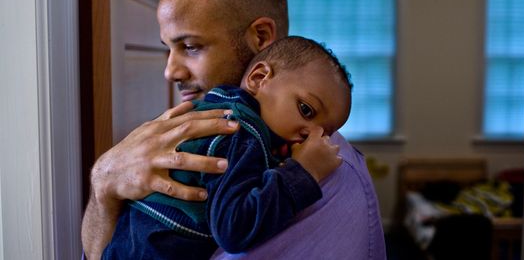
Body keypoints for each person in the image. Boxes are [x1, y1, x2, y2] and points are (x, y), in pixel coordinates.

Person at [81, 0, 386, 259]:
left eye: (190, 46)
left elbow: (236, 231)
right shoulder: (201, 130)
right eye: (168, 48)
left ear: (261, 38)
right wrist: (103, 186)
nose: (170, 71)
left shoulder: (322, 176)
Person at [102, 36, 353, 259]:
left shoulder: (219, 106)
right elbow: (233, 230)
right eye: (306, 110)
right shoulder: (238, 133)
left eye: (325, 132)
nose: (311, 135)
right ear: (258, 78)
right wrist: (303, 172)